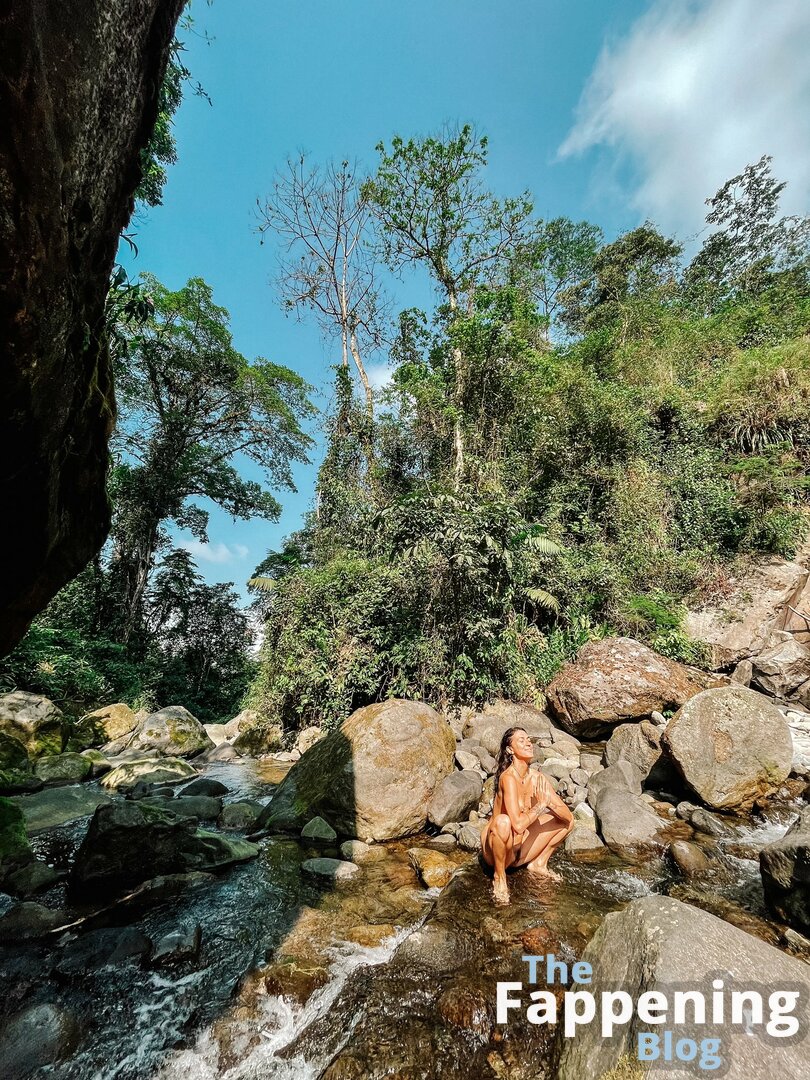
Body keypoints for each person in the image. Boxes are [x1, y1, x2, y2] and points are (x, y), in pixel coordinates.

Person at [479, 726, 574, 904]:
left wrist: (550, 803)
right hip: (498, 850)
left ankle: (539, 863)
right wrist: (541, 805)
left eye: (529, 739)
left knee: (566, 822)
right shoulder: (508, 778)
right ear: (510, 749)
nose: (528, 743)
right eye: (521, 740)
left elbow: (567, 817)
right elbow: (517, 825)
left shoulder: (537, 778)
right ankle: (499, 877)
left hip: (521, 850)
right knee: (503, 822)